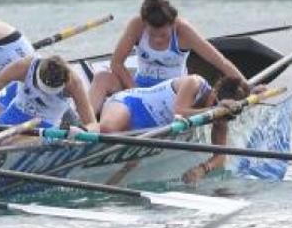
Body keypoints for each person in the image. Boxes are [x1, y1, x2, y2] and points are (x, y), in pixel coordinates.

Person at [87, 0, 248, 114]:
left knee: (206, 93)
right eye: (152, 34)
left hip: (174, 93)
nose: (157, 40)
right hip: (141, 86)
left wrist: (249, 87)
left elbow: (220, 62)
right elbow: (116, 63)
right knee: (102, 77)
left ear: (172, 24)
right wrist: (136, 91)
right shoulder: (136, 25)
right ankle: (87, 126)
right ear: (145, 23)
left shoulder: (183, 30)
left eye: (163, 35)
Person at [100, 75, 251, 183]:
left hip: (147, 132)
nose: (218, 119)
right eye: (214, 104)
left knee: (131, 163)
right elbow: (178, 112)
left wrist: (203, 169)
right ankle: (86, 130)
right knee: (107, 130)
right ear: (214, 91)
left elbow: (221, 156)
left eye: (227, 117)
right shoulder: (194, 83)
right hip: (130, 104)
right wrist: (214, 111)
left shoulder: (220, 116)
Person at [0, 55, 99, 131]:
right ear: (37, 74)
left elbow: (93, 124)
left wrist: (82, 131)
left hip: (46, 125)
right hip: (15, 114)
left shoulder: (74, 84)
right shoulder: (22, 67)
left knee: (11, 143)